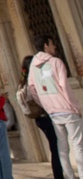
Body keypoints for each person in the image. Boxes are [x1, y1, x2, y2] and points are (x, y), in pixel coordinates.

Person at [29, 34, 83, 179]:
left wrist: (45, 104)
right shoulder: (56, 62)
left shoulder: (33, 63)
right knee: (78, 145)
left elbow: (32, 88)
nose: (54, 46)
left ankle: (70, 176)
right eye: (52, 44)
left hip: (53, 112)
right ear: (46, 45)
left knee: (62, 147)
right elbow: (64, 86)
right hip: (67, 109)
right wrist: (75, 106)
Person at [16, 55, 63, 179]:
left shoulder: (23, 83)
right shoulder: (34, 81)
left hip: (39, 119)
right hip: (46, 117)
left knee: (55, 146)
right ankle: (59, 174)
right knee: (57, 147)